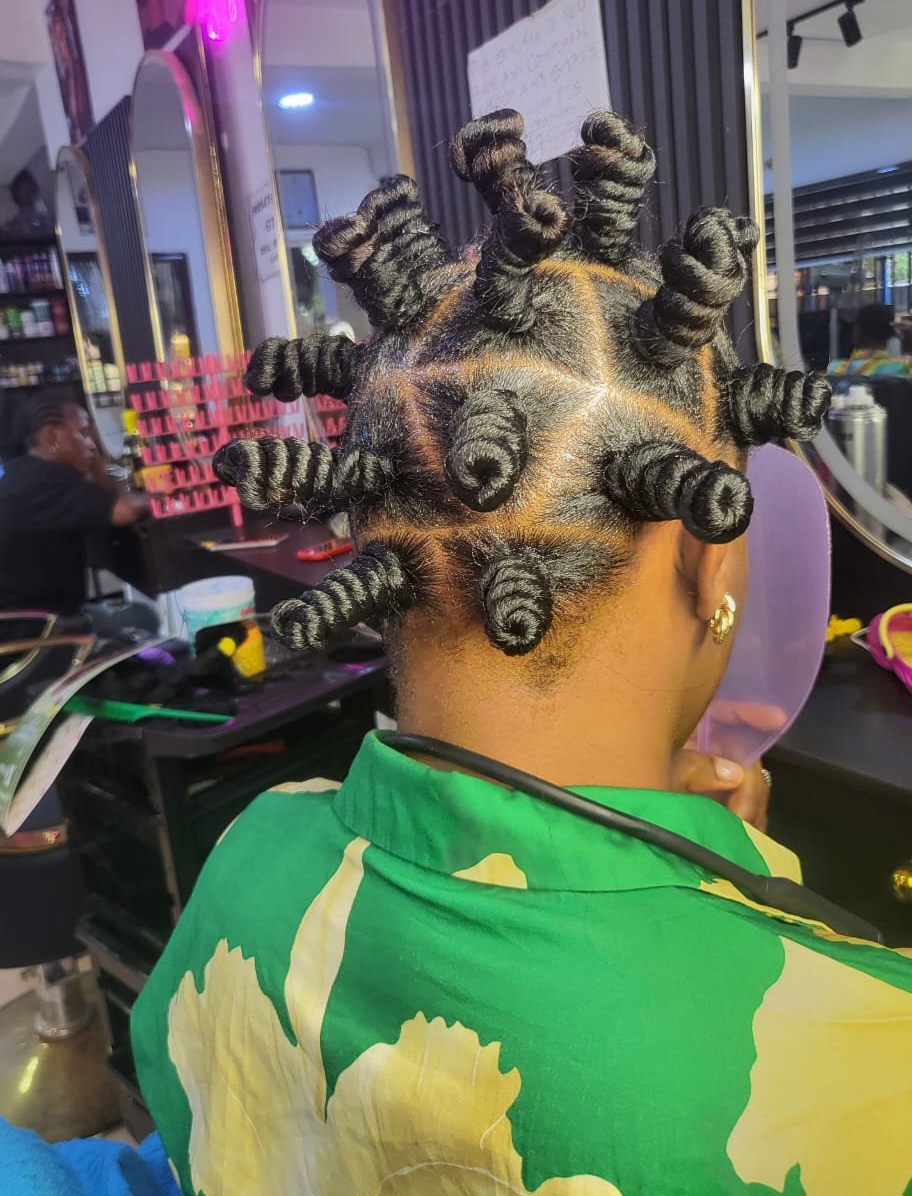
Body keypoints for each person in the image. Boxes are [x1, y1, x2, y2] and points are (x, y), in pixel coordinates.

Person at [132, 111, 912, 1194]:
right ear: (709, 558)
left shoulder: (244, 859)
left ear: (373, 531)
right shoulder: (863, 1058)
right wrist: (741, 909)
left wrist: (720, 874)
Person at [0, 396, 148, 625]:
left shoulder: (24, 472)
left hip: (9, 621)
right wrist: (166, 494)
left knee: (134, 616)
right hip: (29, 631)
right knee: (141, 619)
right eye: (82, 433)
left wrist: (91, 452)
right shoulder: (45, 480)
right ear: (51, 437)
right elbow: (123, 511)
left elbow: (107, 494)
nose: (91, 443)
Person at [3, 169, 52, 239]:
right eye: (25, 189)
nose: (30, 192)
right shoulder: (13, 227)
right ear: (15, 193)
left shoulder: (46, 219)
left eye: (31, 187)